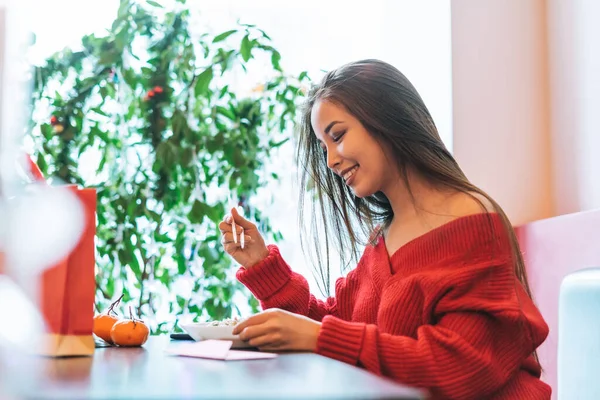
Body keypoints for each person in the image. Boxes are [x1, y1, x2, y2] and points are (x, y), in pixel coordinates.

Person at [219, 59, 551, 399]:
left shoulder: (471, 220)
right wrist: (262, 266)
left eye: (338, 135)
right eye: (324, 147)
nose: (331, 160)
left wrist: (319, 338)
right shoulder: (384, 237)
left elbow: (459, 366)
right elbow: (333, 325)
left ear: (388, 119)